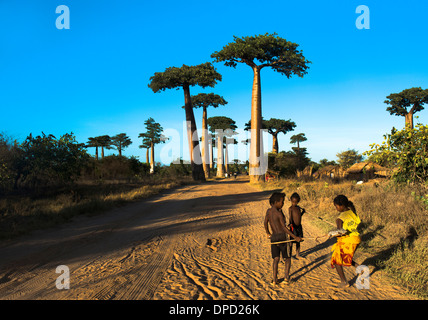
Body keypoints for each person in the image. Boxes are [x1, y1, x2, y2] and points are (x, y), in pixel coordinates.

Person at [264, 192, 302, 285]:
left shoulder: (268, 211)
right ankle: (286, 278)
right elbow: (284, 228)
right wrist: (295, 237)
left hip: (274, 237)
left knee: (276, 258)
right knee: (287, 258)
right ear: (276, 202)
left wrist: (268, 232)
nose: (283, 203)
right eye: (282, 202)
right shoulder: (279, 214)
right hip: (283, 238)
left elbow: (265, 222)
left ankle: (274, 279)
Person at [329, 194, 361, 289]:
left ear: (341, 205)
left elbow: (340, 233)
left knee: (336, 261)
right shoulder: (352, 212)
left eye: (336, 206)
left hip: (348, 240)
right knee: (345, 257)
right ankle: (359, 268)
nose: (336, 208)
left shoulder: (340, 218)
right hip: (356, 239)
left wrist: (331, 234)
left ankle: (344, 282)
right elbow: (356, 224)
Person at [288, 192, 306, 259]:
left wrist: (302, 212)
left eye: (296, 202)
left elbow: (299, 216)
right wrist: (290, 223)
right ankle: (289, 255)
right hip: (293, 227)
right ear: (291, 201)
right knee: (292, 241)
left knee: (299, 240)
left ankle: (297, 254)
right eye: (293, 202)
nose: (294, 203)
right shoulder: (290, 208)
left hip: (299, 227)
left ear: (298, 201)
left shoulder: (298, 208)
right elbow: (290, 217)